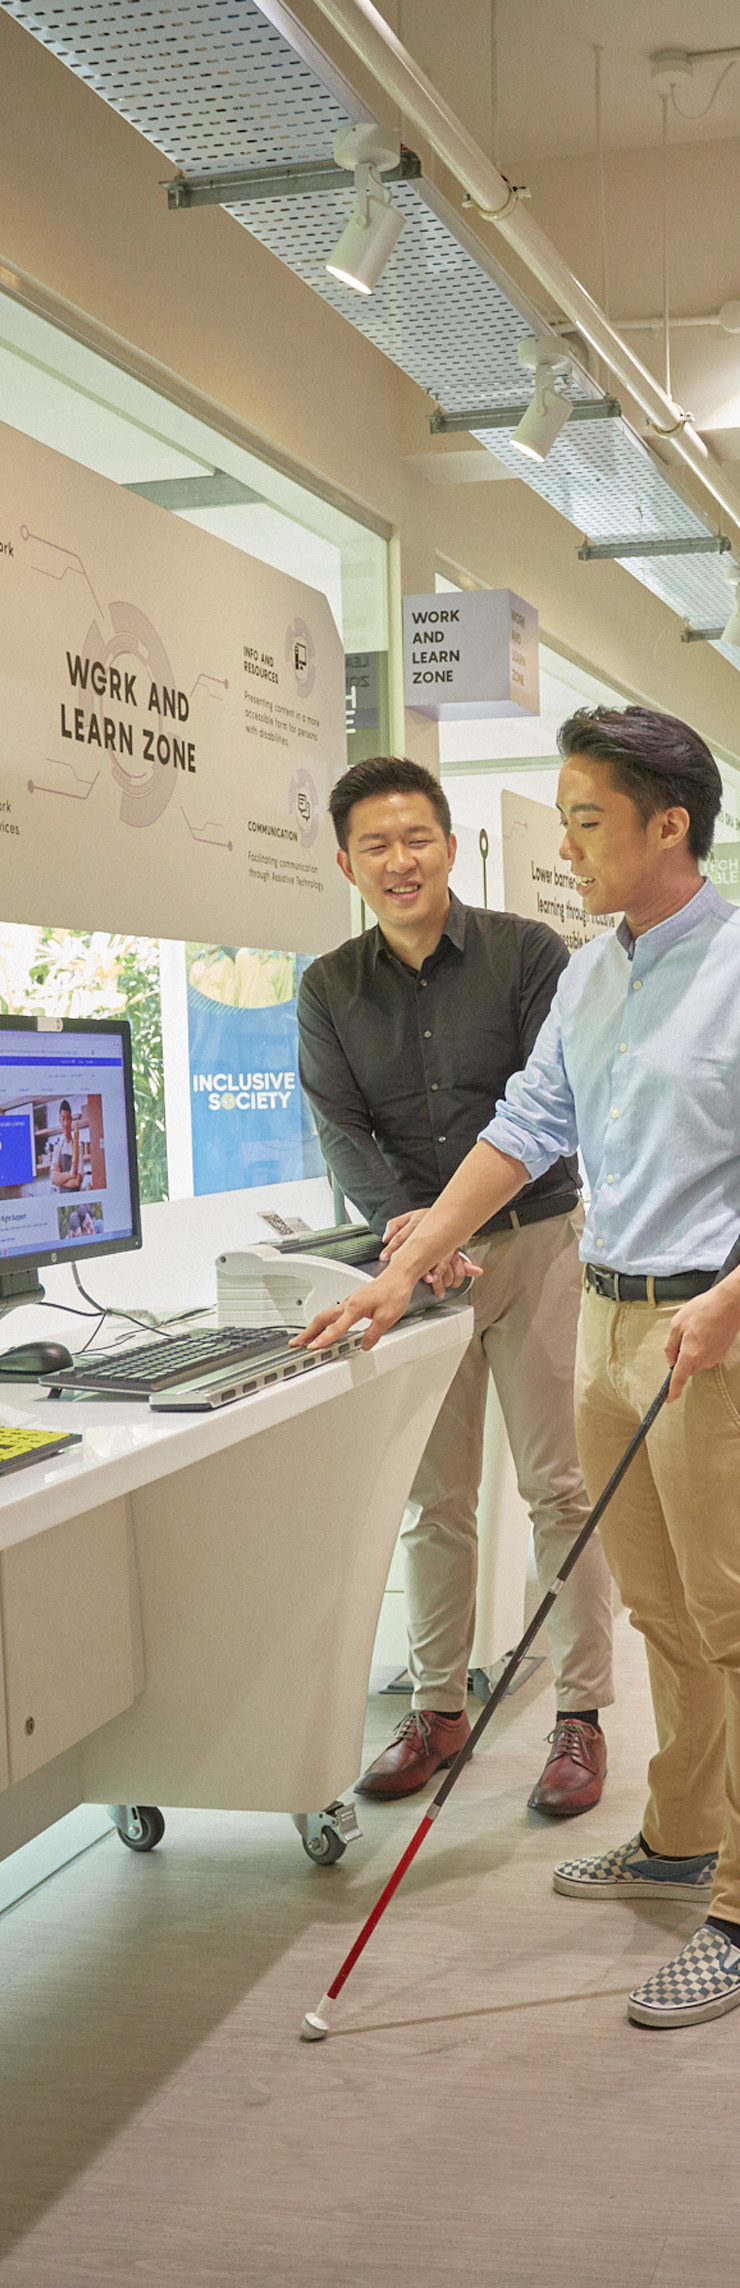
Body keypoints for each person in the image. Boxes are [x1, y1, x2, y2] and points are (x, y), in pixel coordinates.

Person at [297, 705, 740, 2034]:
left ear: (671, 824)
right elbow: (524, 1129)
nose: (568, 843)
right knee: (662, 1617)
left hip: (710, 1333)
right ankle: (678, 1833)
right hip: (605, 1319)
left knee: (735, 1622)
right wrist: (405, 1260)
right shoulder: (597, 972)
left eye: (588, 817)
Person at [298, 754, 614, 1816]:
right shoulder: (327, 985)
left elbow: (543, 1106)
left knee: (557, 1486)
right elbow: (342, 1127)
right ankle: (436, 1705)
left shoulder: (528, 953)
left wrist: (455, 1222)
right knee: (434, 1499)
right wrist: (413, 1237)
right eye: (376, 845)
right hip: (412, 1271)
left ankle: (579, 1715)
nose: (400, 861)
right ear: (346, 862)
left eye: (416, 838)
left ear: (449, 843)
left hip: (530, 1246)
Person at [50, 1100, 81, 1190]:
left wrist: (60, 1179)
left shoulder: (79, 1148)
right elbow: (53, 1179)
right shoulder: (57, 1149)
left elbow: (76, 1182)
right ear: (60, 1121)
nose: (66, 1123)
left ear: (71, 1120)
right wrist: (71, 1174)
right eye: (63, 1119)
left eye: (68, 1119)